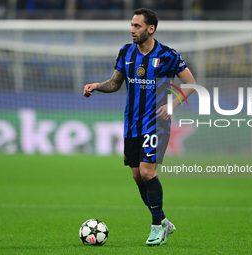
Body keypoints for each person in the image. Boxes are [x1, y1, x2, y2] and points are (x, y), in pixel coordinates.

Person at [83, 8, 196, 246]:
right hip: (132, 123)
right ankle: (163, 220)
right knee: (137, 176)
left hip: (156, 122)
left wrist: (173, 105)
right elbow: (115, 84)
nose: (132, 30)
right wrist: (96, 85)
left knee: (147, 172)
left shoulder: (167, 55)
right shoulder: (126, 52)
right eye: (132, 25)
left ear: (150, 28)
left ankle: (156, 227)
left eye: (137, 26)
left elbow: (190, 84)